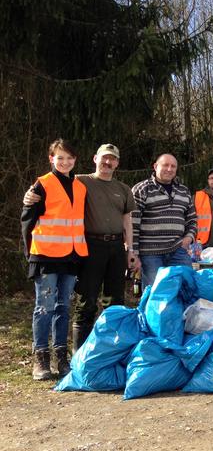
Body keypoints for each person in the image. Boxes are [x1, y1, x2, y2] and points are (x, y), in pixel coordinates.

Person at [23, 144, 139, 351]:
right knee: (85, 300)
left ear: (117, 163)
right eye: (104, 157)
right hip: (87, 247)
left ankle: (109, 351)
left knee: (114, 300)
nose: (107, 162)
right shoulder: (81, 181)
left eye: (112, 159)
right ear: (95, 158)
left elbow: (127, 221)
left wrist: (130, 249)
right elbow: (51, 188)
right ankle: (78, 353)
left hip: (111, 248)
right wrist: (29, 196)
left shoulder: (121, 189)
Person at [21, 139, 88, 380]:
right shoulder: (42, 184)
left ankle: (61, 357)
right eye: (60, 158)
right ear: (51, 159)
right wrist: (30, 255)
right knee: (44, 308)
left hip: (71, 256)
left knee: (64, 307)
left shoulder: (80, 186)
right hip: (45, 256)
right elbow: (27, 219)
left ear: (75, 160)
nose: (65, 162)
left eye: (69, 158)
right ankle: (41, 358)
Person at [131, 153, 197, 289]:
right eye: (165, 165)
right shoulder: (142, 189)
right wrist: (134, 254)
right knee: (156, 293)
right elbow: (133, 225)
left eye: (173, 166)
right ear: (155, 166)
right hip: (150, 254)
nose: (169, 169)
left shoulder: (184, 191)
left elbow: (192, 220)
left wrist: (188, 238)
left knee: (187, 289)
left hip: (178, 251)